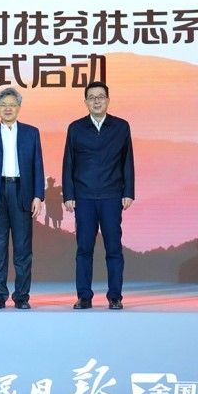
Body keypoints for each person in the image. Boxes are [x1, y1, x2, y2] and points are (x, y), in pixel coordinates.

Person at [62, 81, 134, 309]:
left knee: (114, 248)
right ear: (85, 102)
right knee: (84, 249)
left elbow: (127, 161)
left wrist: (129, 192)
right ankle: (84, 296)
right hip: (83, 196)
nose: (96, 101)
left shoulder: (121, 126)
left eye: (100, 97)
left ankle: (115, 296)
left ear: (108, 100)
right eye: (91, 97)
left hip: (112, 195)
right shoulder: (75, 128)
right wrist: (68, 195)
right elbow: (68, 163)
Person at [0, 87, 45, 309]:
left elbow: (38, 165)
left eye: (12, 105)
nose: (8, 108)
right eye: (3, 105)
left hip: (22, 192)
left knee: (23, 249)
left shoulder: (31, 133)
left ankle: (22, 297)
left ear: (19, 107)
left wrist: (38, 196)